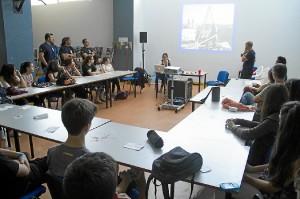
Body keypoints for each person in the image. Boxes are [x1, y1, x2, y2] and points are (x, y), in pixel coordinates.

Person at [243, 101, 300, 199]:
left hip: (273, 194)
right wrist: (251, 168)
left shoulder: (297, 159)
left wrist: (246, 178)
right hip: (268, 180)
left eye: (280, 119)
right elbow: (277, 165)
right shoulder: (291, 146)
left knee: (225, 186)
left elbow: (274, 187)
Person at [226, 84, 289, 166]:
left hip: (254, 160)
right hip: (258, 154)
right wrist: (238, 121)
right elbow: (261, 125)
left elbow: (247, 135)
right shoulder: (279, 115)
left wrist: (232, 127)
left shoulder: (273, 120)